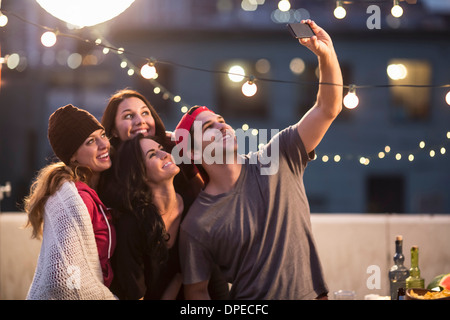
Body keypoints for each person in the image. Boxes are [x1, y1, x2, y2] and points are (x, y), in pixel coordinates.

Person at [173, 20, 342, 300]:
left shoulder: (277, 155)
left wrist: (327, 54)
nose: (222, 127)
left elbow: (328, 108)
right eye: (208, 128)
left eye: (222, 121)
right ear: (191, 153)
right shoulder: (196, 225)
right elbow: (197, 293)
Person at [106, 134, 229, 299]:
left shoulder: (196, 208)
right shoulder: (130, 225)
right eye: (152, 155)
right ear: (140, 174)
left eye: (161, 149)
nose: (164, 155)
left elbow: (216, 282)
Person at [24, 104, 117, 300]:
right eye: (91, 141)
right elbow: (64, 279)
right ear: (72, 155)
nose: (104, 144)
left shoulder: (86, 191)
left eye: (103, 135)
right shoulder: (77, 198)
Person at [99, 88, 202, 209]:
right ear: (114, 130)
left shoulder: (175, 148)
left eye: (145, 113)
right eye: (128, 116)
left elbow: (201, 193)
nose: (140, 121)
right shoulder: (106, 167)